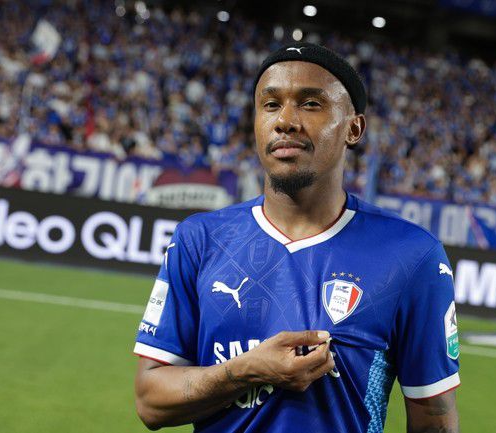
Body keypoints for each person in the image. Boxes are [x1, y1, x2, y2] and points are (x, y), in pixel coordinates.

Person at [133, 43, 460, 433]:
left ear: (354, 128)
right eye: (270, 105)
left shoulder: (411, 255)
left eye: (310, 104)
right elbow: (151, 402)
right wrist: (247, 370)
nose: (285, 120)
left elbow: (435, 420)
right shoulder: (200, 240)